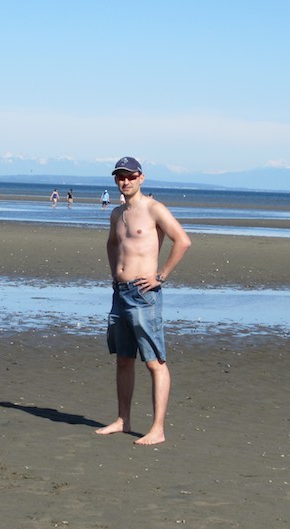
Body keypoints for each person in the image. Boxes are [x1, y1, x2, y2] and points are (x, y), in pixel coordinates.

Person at [97, 156, 192, 445]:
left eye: (130, 176)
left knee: (154, 361)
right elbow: (112, 244)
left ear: (141, 178)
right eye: (120, 177)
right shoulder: (117, 213)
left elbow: (183, 240)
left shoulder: (153, 209)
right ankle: (123, 420)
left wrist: (160, 276)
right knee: (124, 359)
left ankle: (158, 428)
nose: (125, 181)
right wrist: (115, 273)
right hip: (120, 293)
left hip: (144, 294)